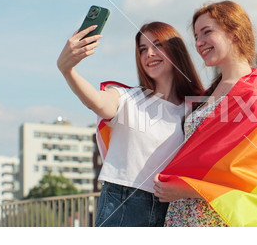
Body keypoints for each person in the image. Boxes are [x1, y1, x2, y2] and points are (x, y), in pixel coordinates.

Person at [154, 1, 257, 227]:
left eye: (207, 32)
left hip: (219, 218)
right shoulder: (213, 91)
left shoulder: (247, 94)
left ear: (234, 33)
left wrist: (186, 188)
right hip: (190, 213)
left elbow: (247, 175)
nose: (199, 43)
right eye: (196, 36)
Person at [57, 21, 204, 226]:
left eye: (157, 45)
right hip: (123, 205)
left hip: (174, 208)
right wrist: (68, 70)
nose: (149, 54)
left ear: (176, 51)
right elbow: (97, 102)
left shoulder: (196, 109)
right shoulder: (126, 98)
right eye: (143, 49)